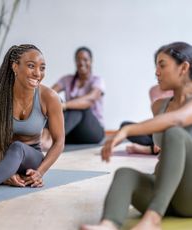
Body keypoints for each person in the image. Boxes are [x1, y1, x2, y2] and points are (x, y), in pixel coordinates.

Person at [81, 41, 192, 230]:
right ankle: (109, 223)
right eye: (156, 65)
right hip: (164, 194)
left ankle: (153, 219)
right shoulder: (159, 106)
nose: (156, 72)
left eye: (162, 65)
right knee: (125, 174)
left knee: (175, 133)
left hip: (188, 196)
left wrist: (126, 131)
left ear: (183, 67)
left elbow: (177, 120)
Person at [0, 44, 64, 202]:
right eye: (31, 66)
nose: (38, 73)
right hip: (0, 156)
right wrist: (7, 172)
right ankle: (2, 176)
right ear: (15, 66)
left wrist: (40, 172)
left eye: (42, 68)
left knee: (17, 147)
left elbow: (59, 141)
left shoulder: (49, 97)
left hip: (30, 158)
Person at [42, 47, 105, 148]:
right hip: (74, 131)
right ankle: (43, 138)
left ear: (91, 61)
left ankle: (52, 140)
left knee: (79, 107)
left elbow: (91, 99)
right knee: (53, 102)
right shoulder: (67, 79)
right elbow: (49, 93)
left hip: (93, 132)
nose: (81, 63)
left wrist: (64, 105)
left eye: (85, 59)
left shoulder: (97, 80)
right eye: (78, 60)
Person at [120, 85, 173, 155]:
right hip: (157, 127)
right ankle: (157, 146)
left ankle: (150, 149)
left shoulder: (180, 90)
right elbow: (157, 117)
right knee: (125, 126)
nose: (158, 74)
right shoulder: (153, 90)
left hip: (173, 129)